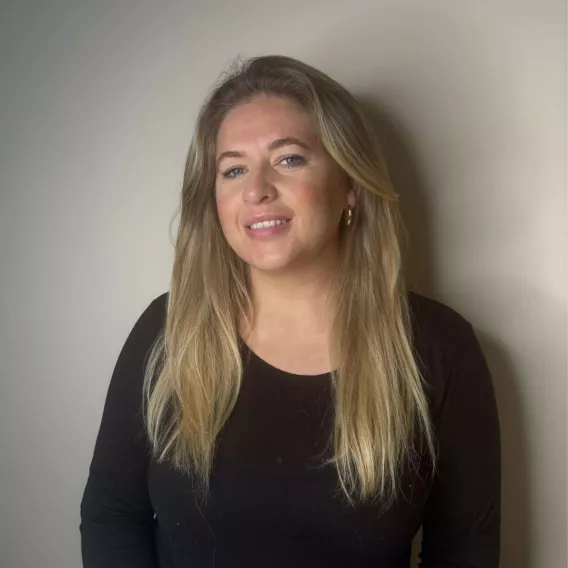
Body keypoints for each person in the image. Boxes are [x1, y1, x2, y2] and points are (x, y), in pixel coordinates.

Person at [80, 55, 501, 568]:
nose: (256, 190)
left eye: (289, 159)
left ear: (351, 185)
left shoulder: (440, 348)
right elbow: (112, 514)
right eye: (233, 169)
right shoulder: (168, 332)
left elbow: (464, 551)